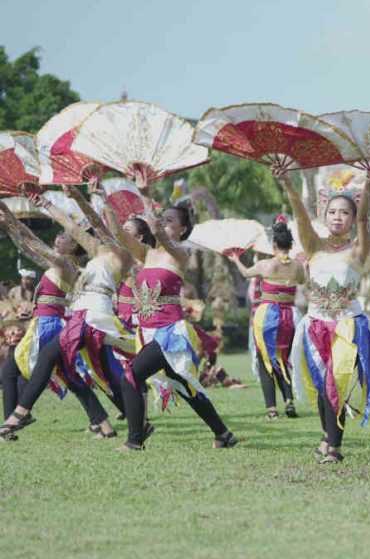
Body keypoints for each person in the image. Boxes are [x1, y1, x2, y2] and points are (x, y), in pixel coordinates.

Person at [0, 185, 136, 442]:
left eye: (129, 230)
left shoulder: (121, 255)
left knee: (63, 367)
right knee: (80, 373)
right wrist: (43, 205)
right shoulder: (98, 254)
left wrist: (92, 197)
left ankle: (19, 415)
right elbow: (63, 231)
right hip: (81, 316)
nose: (122, 230)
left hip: (93, 317)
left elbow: (100, 224)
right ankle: (109, 424)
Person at [278, 166, 370, 465]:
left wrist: (368, 184)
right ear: (324, 216)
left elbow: (367, 218)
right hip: (314, 326)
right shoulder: (313, 247)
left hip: (348, 327)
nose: (338, 217)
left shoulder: (358, 251)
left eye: (345, 213)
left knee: (335, 381)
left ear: (353, 220)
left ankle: (335, 448)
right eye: (332, 212)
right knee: (321, 386)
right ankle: (327, 435)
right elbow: (301, 217)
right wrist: (289, 184)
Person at [117, 171, 236, 450]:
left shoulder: (180, 253)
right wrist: (98, 200)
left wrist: (145, 194)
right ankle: (223, 434)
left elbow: (156, 230)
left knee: (131, 375)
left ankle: (135, 440)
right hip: (149, 330)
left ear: (182, 229)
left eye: (170, 220)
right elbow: (119, 235)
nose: (161, 223)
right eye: (162, 218)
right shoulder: (147, 254)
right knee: (185, 384)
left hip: (169, 332)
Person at [228, 218, 305, 419]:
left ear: (274, 245)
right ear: (291, 244)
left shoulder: (266, 265)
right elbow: (304, 279)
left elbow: (245, 273)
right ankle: (289, 402)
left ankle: (272, 410)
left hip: (269, 314)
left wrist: (236, 259)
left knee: (265, 359)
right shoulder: (298, 267)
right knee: (284, 358)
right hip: (290, 315)